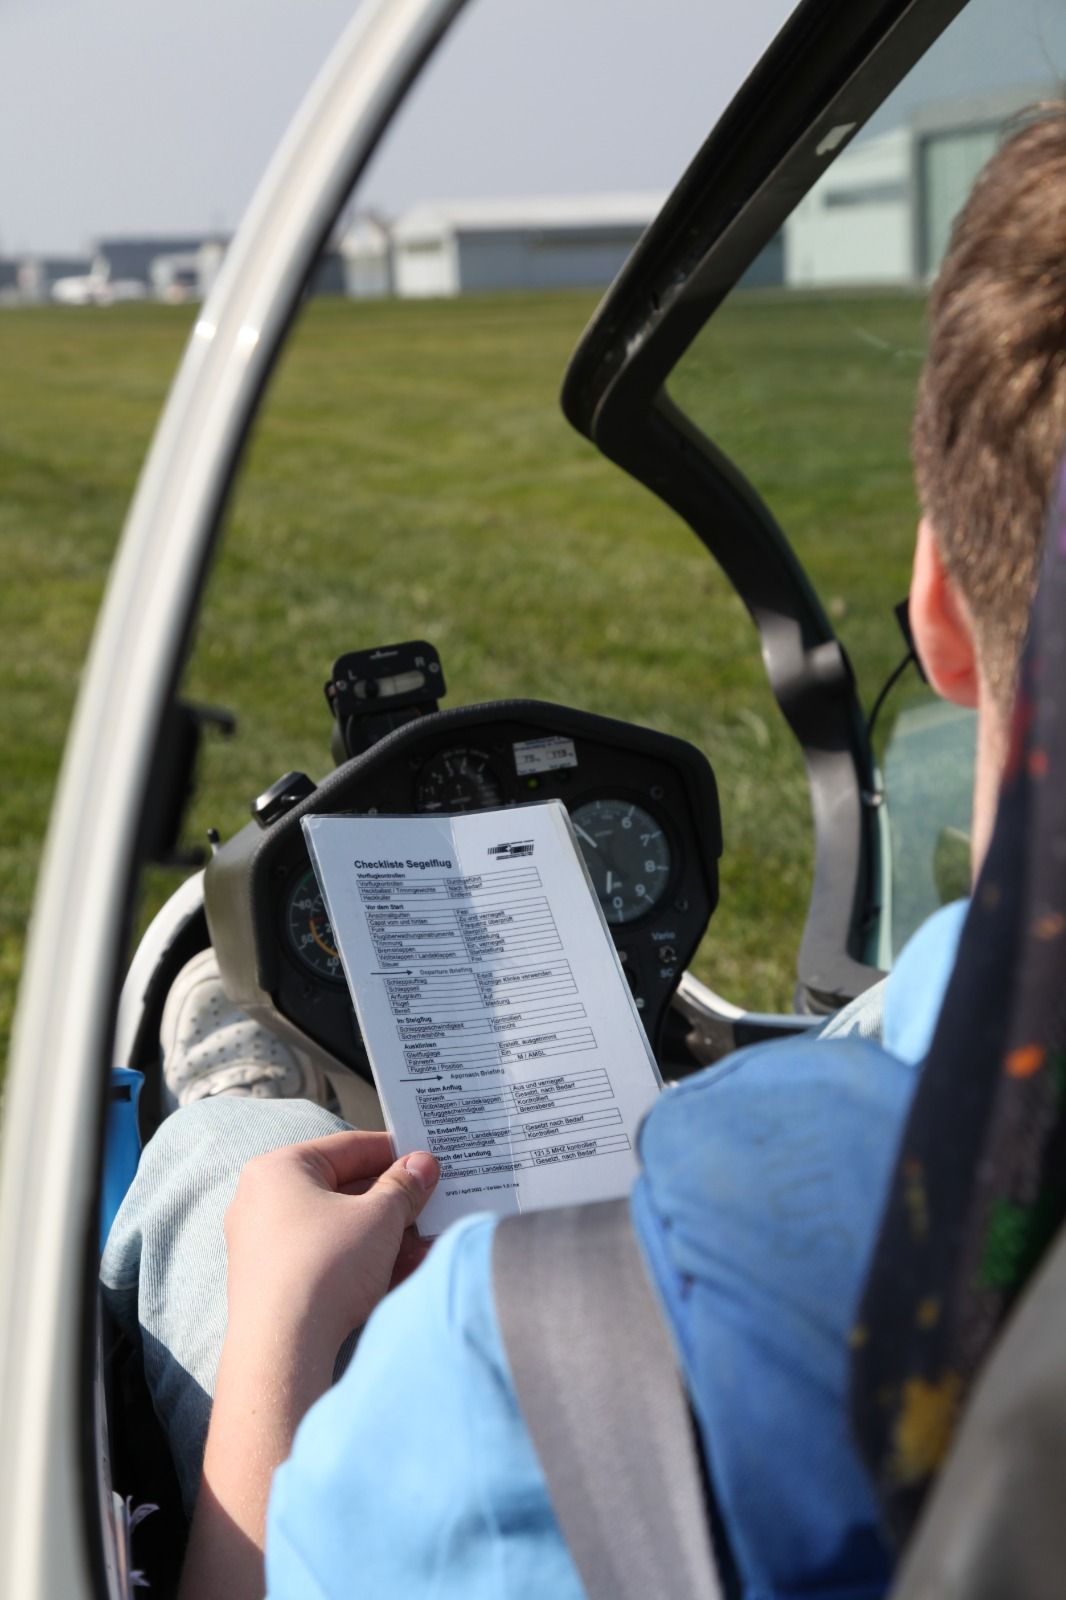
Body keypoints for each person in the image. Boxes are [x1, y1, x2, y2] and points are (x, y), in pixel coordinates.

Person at [101, 108, 1066, 1600]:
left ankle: (238, 1104)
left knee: (222, 1177)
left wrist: (287, 1346)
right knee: (853, 1027)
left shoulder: (511, 1379)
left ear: (936, 607)